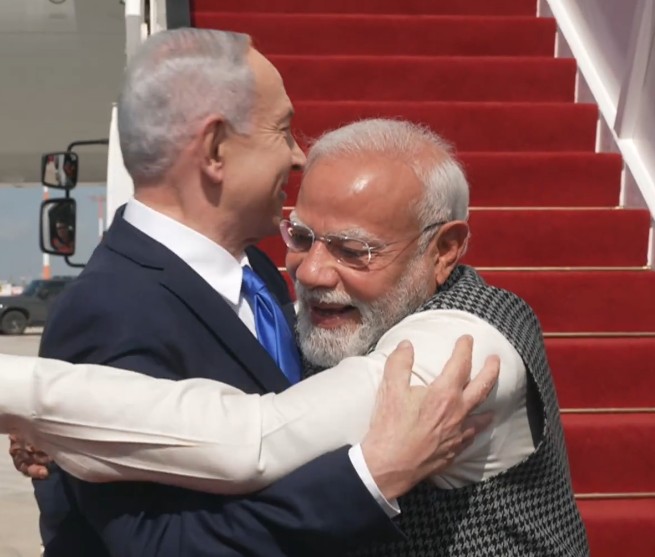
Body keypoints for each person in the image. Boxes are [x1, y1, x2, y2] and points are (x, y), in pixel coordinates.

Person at [6, 31, 497, 557]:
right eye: (282, 130)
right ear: (215, 149)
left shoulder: (258, 270)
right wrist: (372, 478)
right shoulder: (109, 312)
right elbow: (163, 546)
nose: (298, 155)